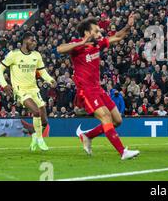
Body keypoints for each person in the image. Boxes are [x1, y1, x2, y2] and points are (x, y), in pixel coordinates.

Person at [56, 13, 140, 160]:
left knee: (117, 121)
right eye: (96, 31)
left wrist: (129, 25)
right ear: (87, 33)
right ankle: (122, 152)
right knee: (106, 117)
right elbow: (60, 49)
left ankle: (87, 136)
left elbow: (118, 37)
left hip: (98, 89)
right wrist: (82, 43)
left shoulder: (98, 44)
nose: (99, 33)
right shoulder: (77, 46)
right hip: (86, 91)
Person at [0, 32, 56, 151]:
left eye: (35, 41)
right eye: (32, 40)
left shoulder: (37, 55)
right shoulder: (14, 55)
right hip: (20, 89)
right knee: (35, 111)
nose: (34, 43)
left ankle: (34, 134)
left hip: (34, 88)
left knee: (44, 120)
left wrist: (50, 80)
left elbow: (42, 72)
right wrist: (4, 84)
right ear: (25, 41)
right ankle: (40, 139)